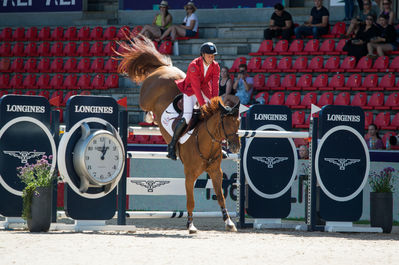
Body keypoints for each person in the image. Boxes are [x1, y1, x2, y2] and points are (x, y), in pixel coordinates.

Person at [167, 42, 220, 160]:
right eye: (209, 55)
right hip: (191, 90)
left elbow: (215, 85)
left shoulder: (216, 66)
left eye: (213, 56)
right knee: (187, 116)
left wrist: (214, 102)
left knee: (216, 113)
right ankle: (172, 145)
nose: (212, 58)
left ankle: (219, 147)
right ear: (203, 54)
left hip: (205, 89)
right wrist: (203, 106)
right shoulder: (193, 65)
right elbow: (196, 88)